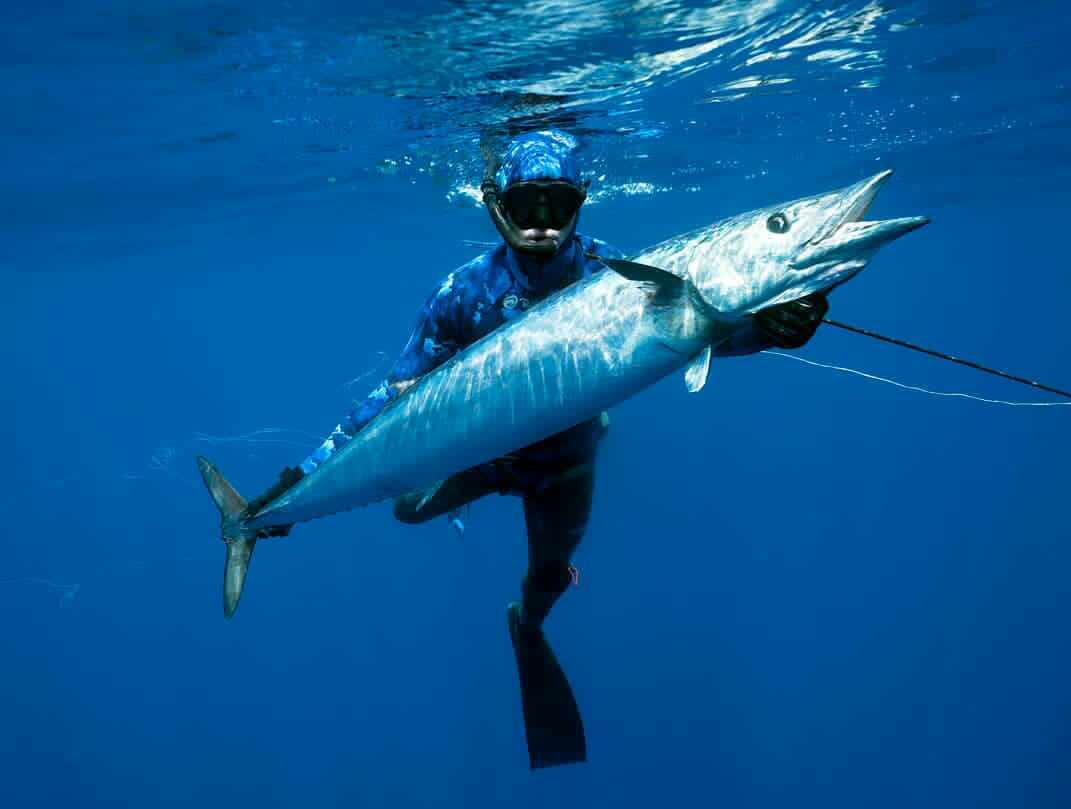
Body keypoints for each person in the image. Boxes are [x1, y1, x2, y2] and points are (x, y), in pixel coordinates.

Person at [242, 130, 828, 767]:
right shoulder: (462, 293)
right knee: (406, 509)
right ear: (496, 205)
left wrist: (769, 329)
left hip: (563, 464)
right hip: (483, 456)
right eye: (528, 207)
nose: (544, 225)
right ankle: (445, 489)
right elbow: (394, 395)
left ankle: (525, 622)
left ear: (583, 202)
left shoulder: (621, 275)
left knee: (549, 578)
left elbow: (700, 328)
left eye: (560, 205)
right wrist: (300, 475)